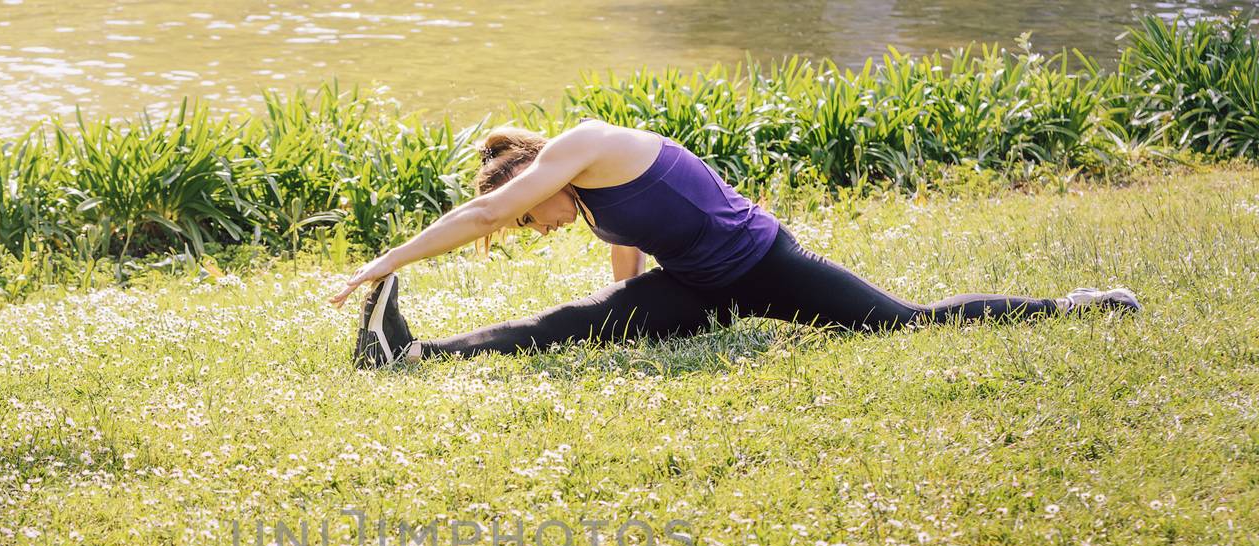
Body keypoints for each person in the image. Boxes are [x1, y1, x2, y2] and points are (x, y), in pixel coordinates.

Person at [327, 120, 1140, 368]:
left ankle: (1071, 305)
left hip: (766, 266)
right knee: (568, 324)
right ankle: (414, 353)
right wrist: (624, 303)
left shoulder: (585, 145)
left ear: (540, 186)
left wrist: (387, 258)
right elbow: (628, 251)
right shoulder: (586, 196)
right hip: (694, 283)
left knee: (902, 321)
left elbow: (481, 214)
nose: (531, 228)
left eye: (527, 218)